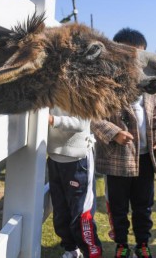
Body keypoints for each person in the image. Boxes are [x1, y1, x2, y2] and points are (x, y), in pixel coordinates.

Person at [91, 28, 156, 258]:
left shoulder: (149, 85)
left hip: (145, 157)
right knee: (118, 207)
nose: (133, 59)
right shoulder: (105, 83)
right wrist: (114, 132)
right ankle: (122, 245)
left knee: (144, 206)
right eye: (126, 53)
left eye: (138, 54)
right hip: (117, 158)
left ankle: (143, 244)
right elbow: (93, 116)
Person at [47, 106, 102, 258]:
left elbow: (81, 123)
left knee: (81, 212)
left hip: (78, 160)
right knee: (60, 210)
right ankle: (71, 248)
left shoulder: (82, 87)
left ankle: (92, 252)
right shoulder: (49, 86)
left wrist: (52, 120)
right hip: (54, 156)